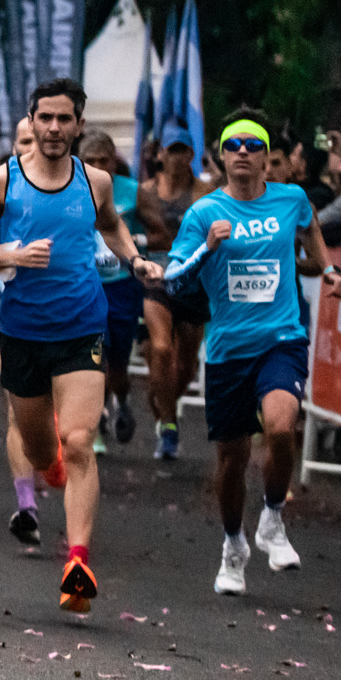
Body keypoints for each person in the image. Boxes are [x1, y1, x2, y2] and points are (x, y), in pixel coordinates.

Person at [0, 78, 159, 613]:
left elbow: (113, 229)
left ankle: (77, 562)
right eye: (44, 118)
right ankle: (48, 474)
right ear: (32, 119)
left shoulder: (96, 182)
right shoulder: (2, 182)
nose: (53, 128)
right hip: (21, 333)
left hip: (81, 327)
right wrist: (10, 257)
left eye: (63, 119)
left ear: (78, 123)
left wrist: (135, 260)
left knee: (77, 442)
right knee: (46, 451)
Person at [159, 112, 341, 595]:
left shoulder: (291, 199)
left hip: (281, 338)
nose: (242, 150)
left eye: (252, 144)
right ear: (221, 156)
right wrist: (207, 248)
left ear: (266, 158)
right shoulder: (204, 214)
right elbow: (174, 278)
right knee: (231, 461)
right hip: (227, 350)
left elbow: (311, 231)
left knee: (282, 427)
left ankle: (274, 518)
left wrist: (328, 270)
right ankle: (233, 545)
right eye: (233, 144)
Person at [144, 123, 212, 459]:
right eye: (171, 150)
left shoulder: (205, 192)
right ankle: (168, 426)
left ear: (191, 154)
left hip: (194, 282)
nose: (176, 157)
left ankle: (162, 396)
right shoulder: (145, 191)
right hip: (155, 277)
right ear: (160, 154)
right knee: (160, 349)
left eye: (182, 150)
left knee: (187, 366)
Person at [79, 129, 149, 448]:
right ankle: (94, 425)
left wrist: (139, 247)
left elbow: (162, 232)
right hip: (84, 286)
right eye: (88, 160)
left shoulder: (133, 192)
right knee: (94, 356)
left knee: (117, 362)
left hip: (121, 287)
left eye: (102, 160)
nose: (96, 166)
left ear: (114, 162)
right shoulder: (68, 192)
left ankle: (121, 400)